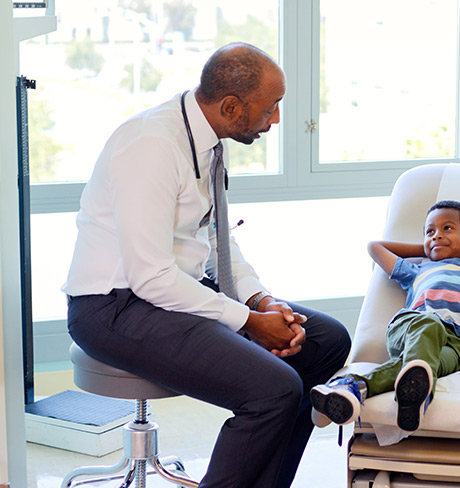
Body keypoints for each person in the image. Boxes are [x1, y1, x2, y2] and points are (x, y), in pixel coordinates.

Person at [63, 42, 351, 488]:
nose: (276, 119)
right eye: (271, 107)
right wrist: (249, 321)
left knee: (326, 340)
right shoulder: (152, 148)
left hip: (172, 291)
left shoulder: (210, 138)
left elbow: (217, 235)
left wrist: (261, 299)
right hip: (114, 307)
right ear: (232, 106)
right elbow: (150, 277)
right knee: (273, 390)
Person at [311, 200, 460, 431]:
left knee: (425, 369)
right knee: (429, 326)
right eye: (430, 231)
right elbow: (375, 246)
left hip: (458, 346)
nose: (437, 235)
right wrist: (428, 249)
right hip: (412, 328)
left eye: (447, 229)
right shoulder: (417, 270)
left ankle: (351, 389)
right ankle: (421, 397)